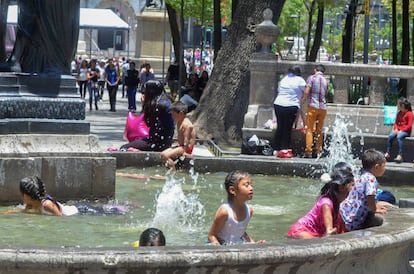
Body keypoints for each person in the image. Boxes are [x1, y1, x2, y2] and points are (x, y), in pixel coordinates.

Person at [288, 168, 355, 239]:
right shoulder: (326, 204)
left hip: (315, 233)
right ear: (341, 187)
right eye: (352, 185)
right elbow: (329, 232)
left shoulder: (336, 202)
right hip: (301, 232)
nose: (354, 188)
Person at [18, 176, 127, 216]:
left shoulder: (47, 204)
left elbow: (60, 217)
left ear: (27, 196)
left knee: (108, 212)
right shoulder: (31, 204)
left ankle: (123, 206)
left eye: (22, 193)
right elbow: (24, 211)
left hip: (81, 210)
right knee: (103, 209)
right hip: (77, 208)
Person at [208, 170, 265, 245]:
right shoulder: (225, 211)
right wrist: (221, 251)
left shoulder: (249, 210)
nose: (251, 188)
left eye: (251, 185)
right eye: (246, 185)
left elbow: (241, 233)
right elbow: (211, 236)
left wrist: (254, 244)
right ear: (233, 190)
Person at [339, 149, 388, 231]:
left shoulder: (363, 175)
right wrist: (375, 209)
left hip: (345, 214)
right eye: (383, 166)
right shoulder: (371, 179)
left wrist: (375, 205)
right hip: (353, 220)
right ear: (376, 167)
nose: (385, 169)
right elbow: (370, 196)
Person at [120, 80, 174, 151]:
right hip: (164, 140)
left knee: (124, 148)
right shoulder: (165, 100)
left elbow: (148, 123)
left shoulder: (158, 105)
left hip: (157, 143)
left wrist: (144, 106)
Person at [273, 66, 306, 158]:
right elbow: (306, 90)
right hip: (291, 105)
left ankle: (276, 148)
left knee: (280, 126)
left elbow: (279, 90)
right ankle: (285, 148)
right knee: (287, 128)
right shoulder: (300, 80)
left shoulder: (284, 79)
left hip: (278, 104)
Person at [301, 64, 328, 158]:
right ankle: (318, 151)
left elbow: (307, 90)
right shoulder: (326, 80)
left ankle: (308, 151)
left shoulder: (311, 78)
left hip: (313, 106)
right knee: (319, 130)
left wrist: (303, 100)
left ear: (315, 70)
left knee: (309, 129)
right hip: (323, 108)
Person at [160, 101, 196, 171]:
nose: (172, 117)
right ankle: (170, 169)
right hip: (181, 146)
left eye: (173, 115)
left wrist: (185, 151)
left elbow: (186, 138)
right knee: (162, 154)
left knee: (166, 155)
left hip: (186, 148)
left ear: (181, 113)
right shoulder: (179, 121)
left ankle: (173, 173)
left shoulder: (186, 124)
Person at [384, 97, 413, 163]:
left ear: (402, 106)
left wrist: (401, 130)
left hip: (406, 131)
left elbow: (409, 126)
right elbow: (396, 123)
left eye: (398, 105)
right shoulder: (399, 113)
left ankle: (400, 155)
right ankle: (388, 152)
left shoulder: (410, 114)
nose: (397, 106)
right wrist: (396, 129)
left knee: (399, 137)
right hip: (398, 130)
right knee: (391, 136)